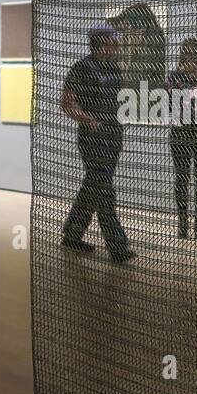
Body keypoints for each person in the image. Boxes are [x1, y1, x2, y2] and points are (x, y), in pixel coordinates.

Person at [60, 25, 132, 264]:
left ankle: (72, 234)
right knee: (104, 189)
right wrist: (87, 119)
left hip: (113, 137)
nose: (118, 46)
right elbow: (67, 103)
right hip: (93, 138)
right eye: (114, 42)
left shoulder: (112, 67)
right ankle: (118, 248)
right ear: (102, 44)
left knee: (93, 187)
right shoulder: (82, 68)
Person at [167, 38, 197, 240]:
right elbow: (171, 102)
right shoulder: (174, 76)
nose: (192, 61)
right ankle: (182, 223)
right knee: (182, 178)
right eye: (188, 56)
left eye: (196, 56)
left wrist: (189, 96)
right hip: (180, 132)